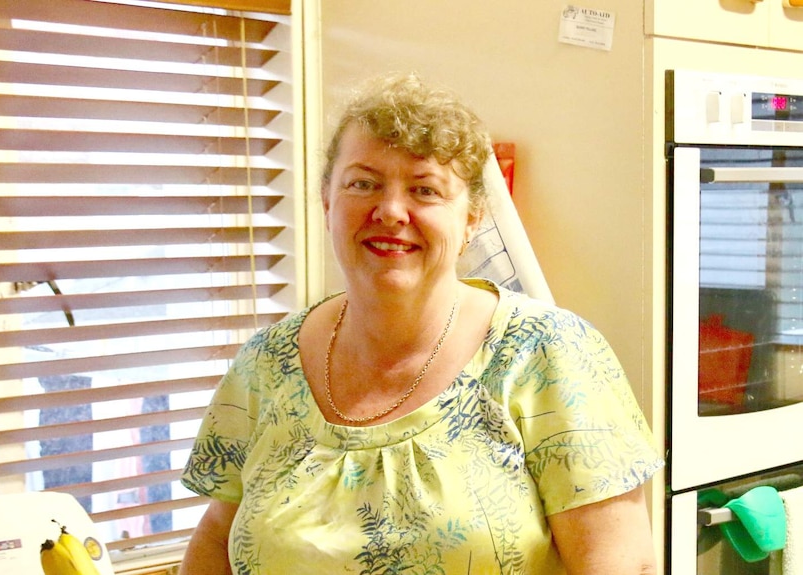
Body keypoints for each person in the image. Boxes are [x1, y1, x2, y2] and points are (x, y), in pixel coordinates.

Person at [179, 72, 664, 575]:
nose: (390, 211)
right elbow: (217, 535)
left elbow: (622, 564)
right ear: (327, 201)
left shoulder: (547, 353)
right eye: (362, 183)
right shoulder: (267, 363)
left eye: (425, 190)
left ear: (473, 217)